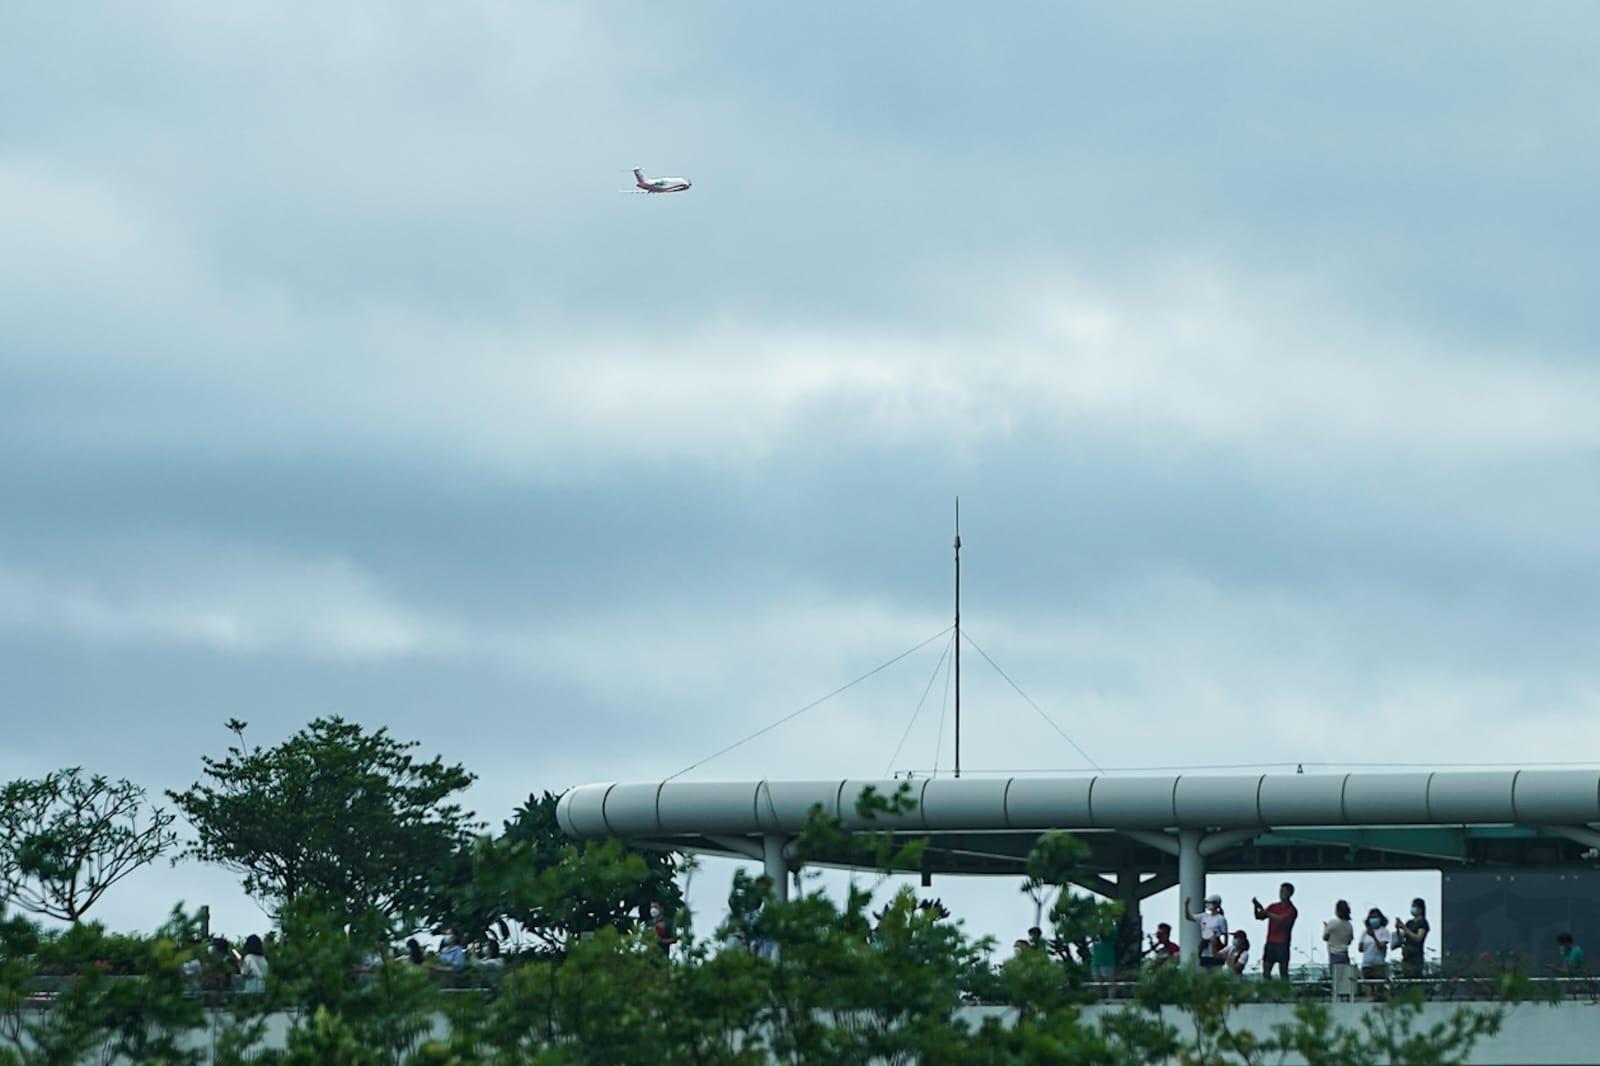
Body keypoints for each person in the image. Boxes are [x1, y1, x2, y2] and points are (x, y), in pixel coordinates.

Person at [1253, 882, 1298, 980]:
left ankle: (1284, 993)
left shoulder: (1292, 910)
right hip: (1270, 942)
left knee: (1283, 972)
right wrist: (1256, 907)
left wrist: (1266, 912)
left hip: (1282, 943)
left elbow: (1281, 920)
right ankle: (1269, 991)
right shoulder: (1273, 906)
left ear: (1290, 893)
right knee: (1266, 970)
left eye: (1284, 891)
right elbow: (1259, 916)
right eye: (1280, 891)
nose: (1281, 893)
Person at [1183, 893, 1228, 969]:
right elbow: (1189, 917)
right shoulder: (1204, 916)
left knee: (1215, 969)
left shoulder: (1221, 918)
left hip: (1215, 946)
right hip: (1205, 947)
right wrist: (1186, 905)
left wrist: (1223, 949)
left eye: (1210, 903)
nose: (1208, 905)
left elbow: (1224, 935)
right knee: (1204, 970)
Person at [1391, 898, 1429, 980]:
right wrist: (1398, 928)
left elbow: (1418, 938)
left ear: (1421, 909)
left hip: (1416, 957)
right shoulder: (1409, 922)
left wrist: (1404, 928)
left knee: (1415, 979)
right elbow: (1402, 937)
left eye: (1415, 906)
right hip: (1407, 956)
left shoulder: (1422, 922)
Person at [1358, 908, 1390, 993]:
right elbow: (1360, 949)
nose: (1373, 919)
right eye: (1371, 917)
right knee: (1368, 989)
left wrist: (1374, 936)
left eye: (1376, 917)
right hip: (1366, 964)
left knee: (1379, 989)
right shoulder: (1365, 932)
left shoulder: (1384, 930)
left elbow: (1382, 946)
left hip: (1378, 964)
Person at [1323, 900, 1355, 967]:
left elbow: (1325, 938)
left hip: (1334, 954)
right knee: (1345, 975)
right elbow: (1349, 941)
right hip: (1345, 954)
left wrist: (1326, 928)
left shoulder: (1332, 923)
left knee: (1335, 975)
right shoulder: (1349, 925)